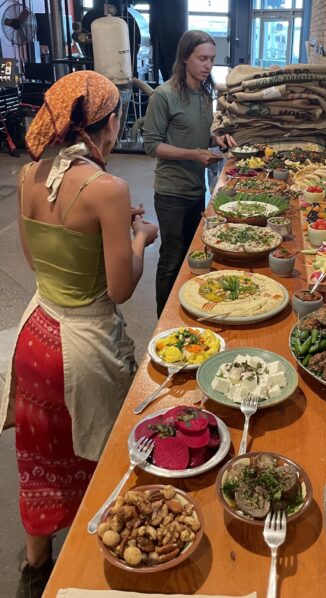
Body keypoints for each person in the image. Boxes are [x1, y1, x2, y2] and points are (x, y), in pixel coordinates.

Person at [0, 70, 158, 598]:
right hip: (82, 348)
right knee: (98, 454)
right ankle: (95, 571)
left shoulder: (29, 176)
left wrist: (104, 237)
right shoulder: (107, 188)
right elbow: (118, 291)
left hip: (36, 335)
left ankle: (34, 563)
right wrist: (139, 239)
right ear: (106, 123)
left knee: (40, 454)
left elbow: (35, 260)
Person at [143, 29, 236, 318]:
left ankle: (185, 313)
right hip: (171, 193)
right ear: (185, 58)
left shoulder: (203, 93)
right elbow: (151, 145)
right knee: (171, 258)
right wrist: (193, 155)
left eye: (212, 59)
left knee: (190, 257)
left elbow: (197, 133)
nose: (208, 65)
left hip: (196, 190)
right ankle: (164, 320)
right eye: (202, 58)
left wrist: (215, 140)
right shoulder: (163, 95)